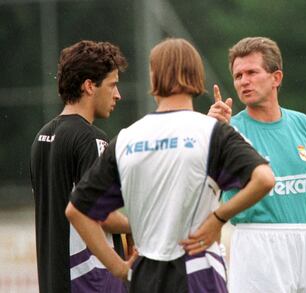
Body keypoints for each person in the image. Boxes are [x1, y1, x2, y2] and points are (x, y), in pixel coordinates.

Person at [65, 37, 275, 292]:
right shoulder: (211, 133)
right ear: (197, 78)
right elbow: (264, 179)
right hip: (198, 272)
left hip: (145, 276)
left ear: (153, 80)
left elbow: (76, 211)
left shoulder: (126, 138)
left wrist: (119, 268)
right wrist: (218, 219)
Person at [201, 36, 306, 292]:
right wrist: (210, 133)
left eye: (252, 72)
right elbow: (200, 187)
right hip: (256, 243)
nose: (244, 81)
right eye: (238, 75)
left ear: (276, 78)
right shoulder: (228, 130)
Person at [30, 40, 133, 293]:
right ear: (89, 86)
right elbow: (102, 214)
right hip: (90, 281)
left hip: (54, 280)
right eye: (112, 85)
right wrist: (138, 226)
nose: (118, 94)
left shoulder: (40, 138)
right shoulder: (92, 138)